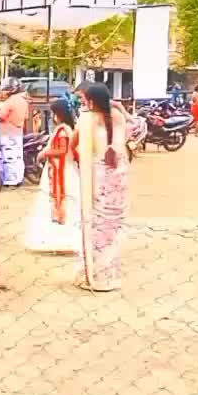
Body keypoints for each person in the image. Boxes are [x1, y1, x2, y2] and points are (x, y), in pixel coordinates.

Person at [72, 81, 129, 292]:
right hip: (118, 177)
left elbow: (73, 143)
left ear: (90, 100)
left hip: (98, 178)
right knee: (113, 226)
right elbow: (122, 143)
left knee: (95, 224)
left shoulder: (87, 120)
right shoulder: (118, 117)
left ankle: (92, 272)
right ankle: (109, 273)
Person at [25, 98, 81, 254]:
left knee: (62, 199)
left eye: (53, 113)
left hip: (62, 170)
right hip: (57, 169)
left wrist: (44, 153)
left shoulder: (63, 131)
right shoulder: (65, 129)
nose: (52, 117)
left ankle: (62, 238)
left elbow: (62, 150)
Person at [0, 82, 28, 187]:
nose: (3, 92)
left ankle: (10, 181)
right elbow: (26, 117)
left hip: (7, 133)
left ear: (10, 90)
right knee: (17, 157)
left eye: (4, 90)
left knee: (8, 158)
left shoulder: (9, 102)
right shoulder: (23, 101)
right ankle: (18, 179)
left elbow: (1, 118)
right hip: (18, 133)